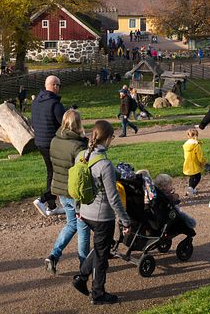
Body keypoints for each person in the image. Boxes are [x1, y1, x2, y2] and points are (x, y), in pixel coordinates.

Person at [72, 120, 131, 305]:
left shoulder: (81, 155)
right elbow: (113, 199)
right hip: (102, 217)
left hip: (85, 212)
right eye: (112, 137)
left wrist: (77, 209)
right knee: (102, 256)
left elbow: (76, 184)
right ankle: (98, 294)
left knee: (100, 247)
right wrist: (125, 220)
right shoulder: (104, 164)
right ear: (107, 139)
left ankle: (81, 278)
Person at [45, 109, 90, 275]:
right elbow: (83, 170)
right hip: (74, 192)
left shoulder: (55, 140)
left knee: (71, 224)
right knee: (83, 227)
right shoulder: (78, 146)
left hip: (61, 189)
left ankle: (53, 255)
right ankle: (84, 264)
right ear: (78, 124)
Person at [31, 75, 66, 216]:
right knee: (59, 173)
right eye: (58, 85)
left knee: (51, 172)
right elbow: (65, 124)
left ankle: (52, 206)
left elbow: (34, 122)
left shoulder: (36, 102)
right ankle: (43, 198)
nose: (59, 88)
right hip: (53, 143)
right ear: (54, 86)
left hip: (40, 142)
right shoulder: (54, 104)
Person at [183, 127, 210, 196]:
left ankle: (192, 188)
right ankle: (191, 188)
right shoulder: (196, 145)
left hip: (187, 163)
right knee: (198, 177)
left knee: (192, 177)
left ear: (188, 136)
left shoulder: (186, 145)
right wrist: (205, 163)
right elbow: (200, 157)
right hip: (195, 164)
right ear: (197, 135)